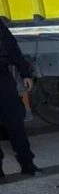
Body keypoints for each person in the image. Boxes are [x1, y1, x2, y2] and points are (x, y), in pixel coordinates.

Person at [0, 20, 41, 178]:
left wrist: (25, 73)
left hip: (2, 77)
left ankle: (27, 164)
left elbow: (11, 46)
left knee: (14, 121)